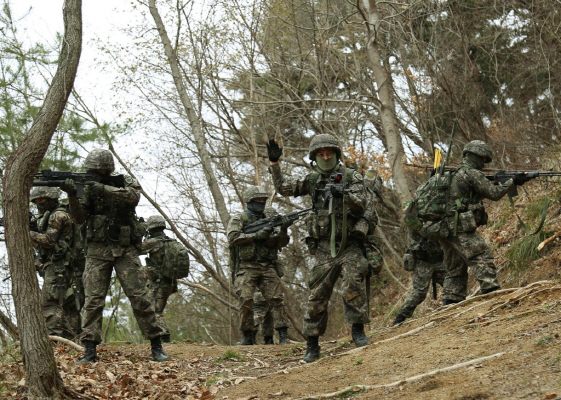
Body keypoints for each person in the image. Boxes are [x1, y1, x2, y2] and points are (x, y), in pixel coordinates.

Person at [267, 134, 370, 363]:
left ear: (336, 154)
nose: (325, 157)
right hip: (323, 247)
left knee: (353, 282)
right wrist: (275, 164)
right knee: (316, 295)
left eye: (329, 153)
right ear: (314, 157)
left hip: (348, 244)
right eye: (321, 154)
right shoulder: (313, 180)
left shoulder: (351, 176)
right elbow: (284, 188)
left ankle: (358, 331)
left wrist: (342, 194)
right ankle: (312, 345)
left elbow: (362, 202)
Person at [61, 149, 169, 363]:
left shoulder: (124, 181)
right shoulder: (86, 187)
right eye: (92, 170)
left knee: (140, 297)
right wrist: (73, 195)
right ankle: (90, 349)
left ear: (107, 168)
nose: (95, 172)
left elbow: (133, 198)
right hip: (96, 250)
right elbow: (78, 218)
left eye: (98, 169)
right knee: (93, 300)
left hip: (125, 248)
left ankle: (156, 345)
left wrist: (102, 187)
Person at [435, 140, 514, 304]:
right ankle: (492, 297)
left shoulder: (451, 175)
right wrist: (513, 181)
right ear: (478, 156)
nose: (485, 164)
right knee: (481, 257)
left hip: (442, 228)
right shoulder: (471, 173)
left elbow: (467, 196)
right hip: (460, 226)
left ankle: (450, 304)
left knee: (455, 268)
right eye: (484, 159)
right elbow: (494, 193)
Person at [227, 186, 291, 346]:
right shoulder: (239, 219)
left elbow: (282, 242)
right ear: (249, 202)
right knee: (246, 299)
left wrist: (283, 228)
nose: (261, 204)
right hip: (248, 266)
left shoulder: (271, 218)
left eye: (263, 201)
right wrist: (255, 236)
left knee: (277, 299)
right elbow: (233, 237)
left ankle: (283, 335)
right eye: (258, 201)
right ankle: (248, 336)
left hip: (268, 265)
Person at [30, 187, 82, 339]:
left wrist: (27, 232)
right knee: (66, 305)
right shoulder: (51, 215)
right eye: (36, 201)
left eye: (40, 200)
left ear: (51, 199)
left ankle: (54, 342)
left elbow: (49, 240)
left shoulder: (57, 215)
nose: (38, 204)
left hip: (59, 266)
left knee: (50, 303)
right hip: (60, 265)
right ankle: (71, 340)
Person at [139, 215, 178, 343]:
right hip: (170, 281)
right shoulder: (170, 241)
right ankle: (163, 337)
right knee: (157, 308)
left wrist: (139, 232)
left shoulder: (154, 242)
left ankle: (164, 336)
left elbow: (137, 249)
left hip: (159, 282)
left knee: (154, 309)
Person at [393, 231, 445, 325]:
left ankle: (451, 307)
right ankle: (399, 319)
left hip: (438, 258)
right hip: (422, 260)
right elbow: (418, 230)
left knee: (451, 283)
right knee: (419, 293)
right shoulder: (414, 218)